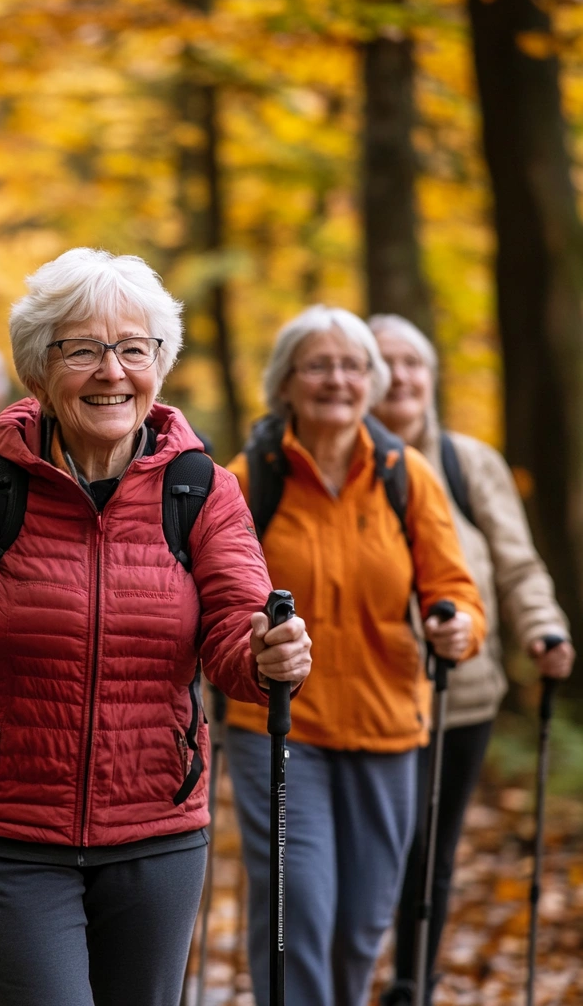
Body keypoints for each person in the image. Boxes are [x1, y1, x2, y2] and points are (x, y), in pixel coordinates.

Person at [0, 247, 313, 1006]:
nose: (112, 372)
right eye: (83, 350)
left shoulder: (200, 490)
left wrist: (269, 654)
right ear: (39, 370)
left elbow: (238, 631)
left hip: (157, 826)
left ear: (158, 365)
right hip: (4, 828)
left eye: (134, 349)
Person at [223, 305, 487, 1006]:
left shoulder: (408, 474)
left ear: (371, 382)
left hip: (388, 723)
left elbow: (453, 586)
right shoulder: (250, 480)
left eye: (351, 366)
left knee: (365, 920)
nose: (336, 380)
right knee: (297, 908)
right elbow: (215, 594)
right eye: (318, 365)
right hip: (280, 729)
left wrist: (458, 624)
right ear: (285, 383)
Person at [368, 314, 575, 1005]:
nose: (401, 376)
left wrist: (542, 629)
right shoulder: (344, 464)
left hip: (464, 695)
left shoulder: (469, 462)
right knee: (381, 850)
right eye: (385, 362)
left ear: (431, 376)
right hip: (364, 700)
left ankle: (412, 984)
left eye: (413, 362)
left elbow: (517, 565)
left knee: (433, 852)